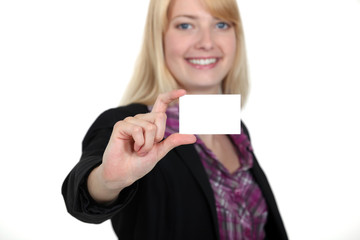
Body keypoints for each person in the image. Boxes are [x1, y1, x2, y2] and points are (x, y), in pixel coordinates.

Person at [62, 0, 288, 239]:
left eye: (221, 24)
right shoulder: (128, 127)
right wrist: (107, 182)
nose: (207, 42)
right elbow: (83, 197)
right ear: (159, 38)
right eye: (185, 26)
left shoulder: (235, 130)